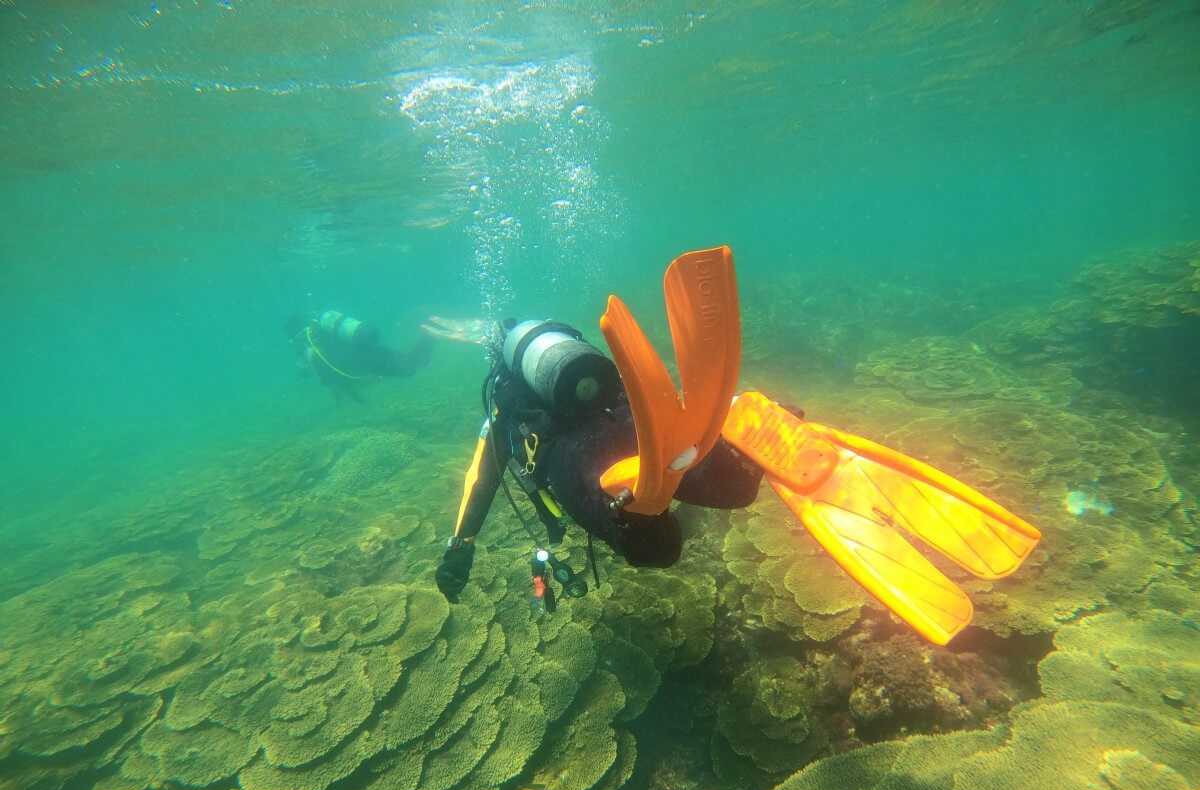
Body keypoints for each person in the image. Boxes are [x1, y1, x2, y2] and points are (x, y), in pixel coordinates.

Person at [435, 248, 1042, 645]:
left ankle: (642, 504)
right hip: (632, 418)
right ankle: (737, 439)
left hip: (578, 463)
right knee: (715, 475)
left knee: (654, 544)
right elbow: (628, 385)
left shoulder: (501, 402)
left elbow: (481, 479)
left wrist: (461, 543)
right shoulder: (565, 355)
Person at [286, 310, 436, 401]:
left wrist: (359, 382)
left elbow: (329, 374)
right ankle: (431, 333)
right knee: (409, 362)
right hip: (363, 349)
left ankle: (432, 332)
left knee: (411, 366)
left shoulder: (310, 343)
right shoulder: (318, 330)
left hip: (358, 362)